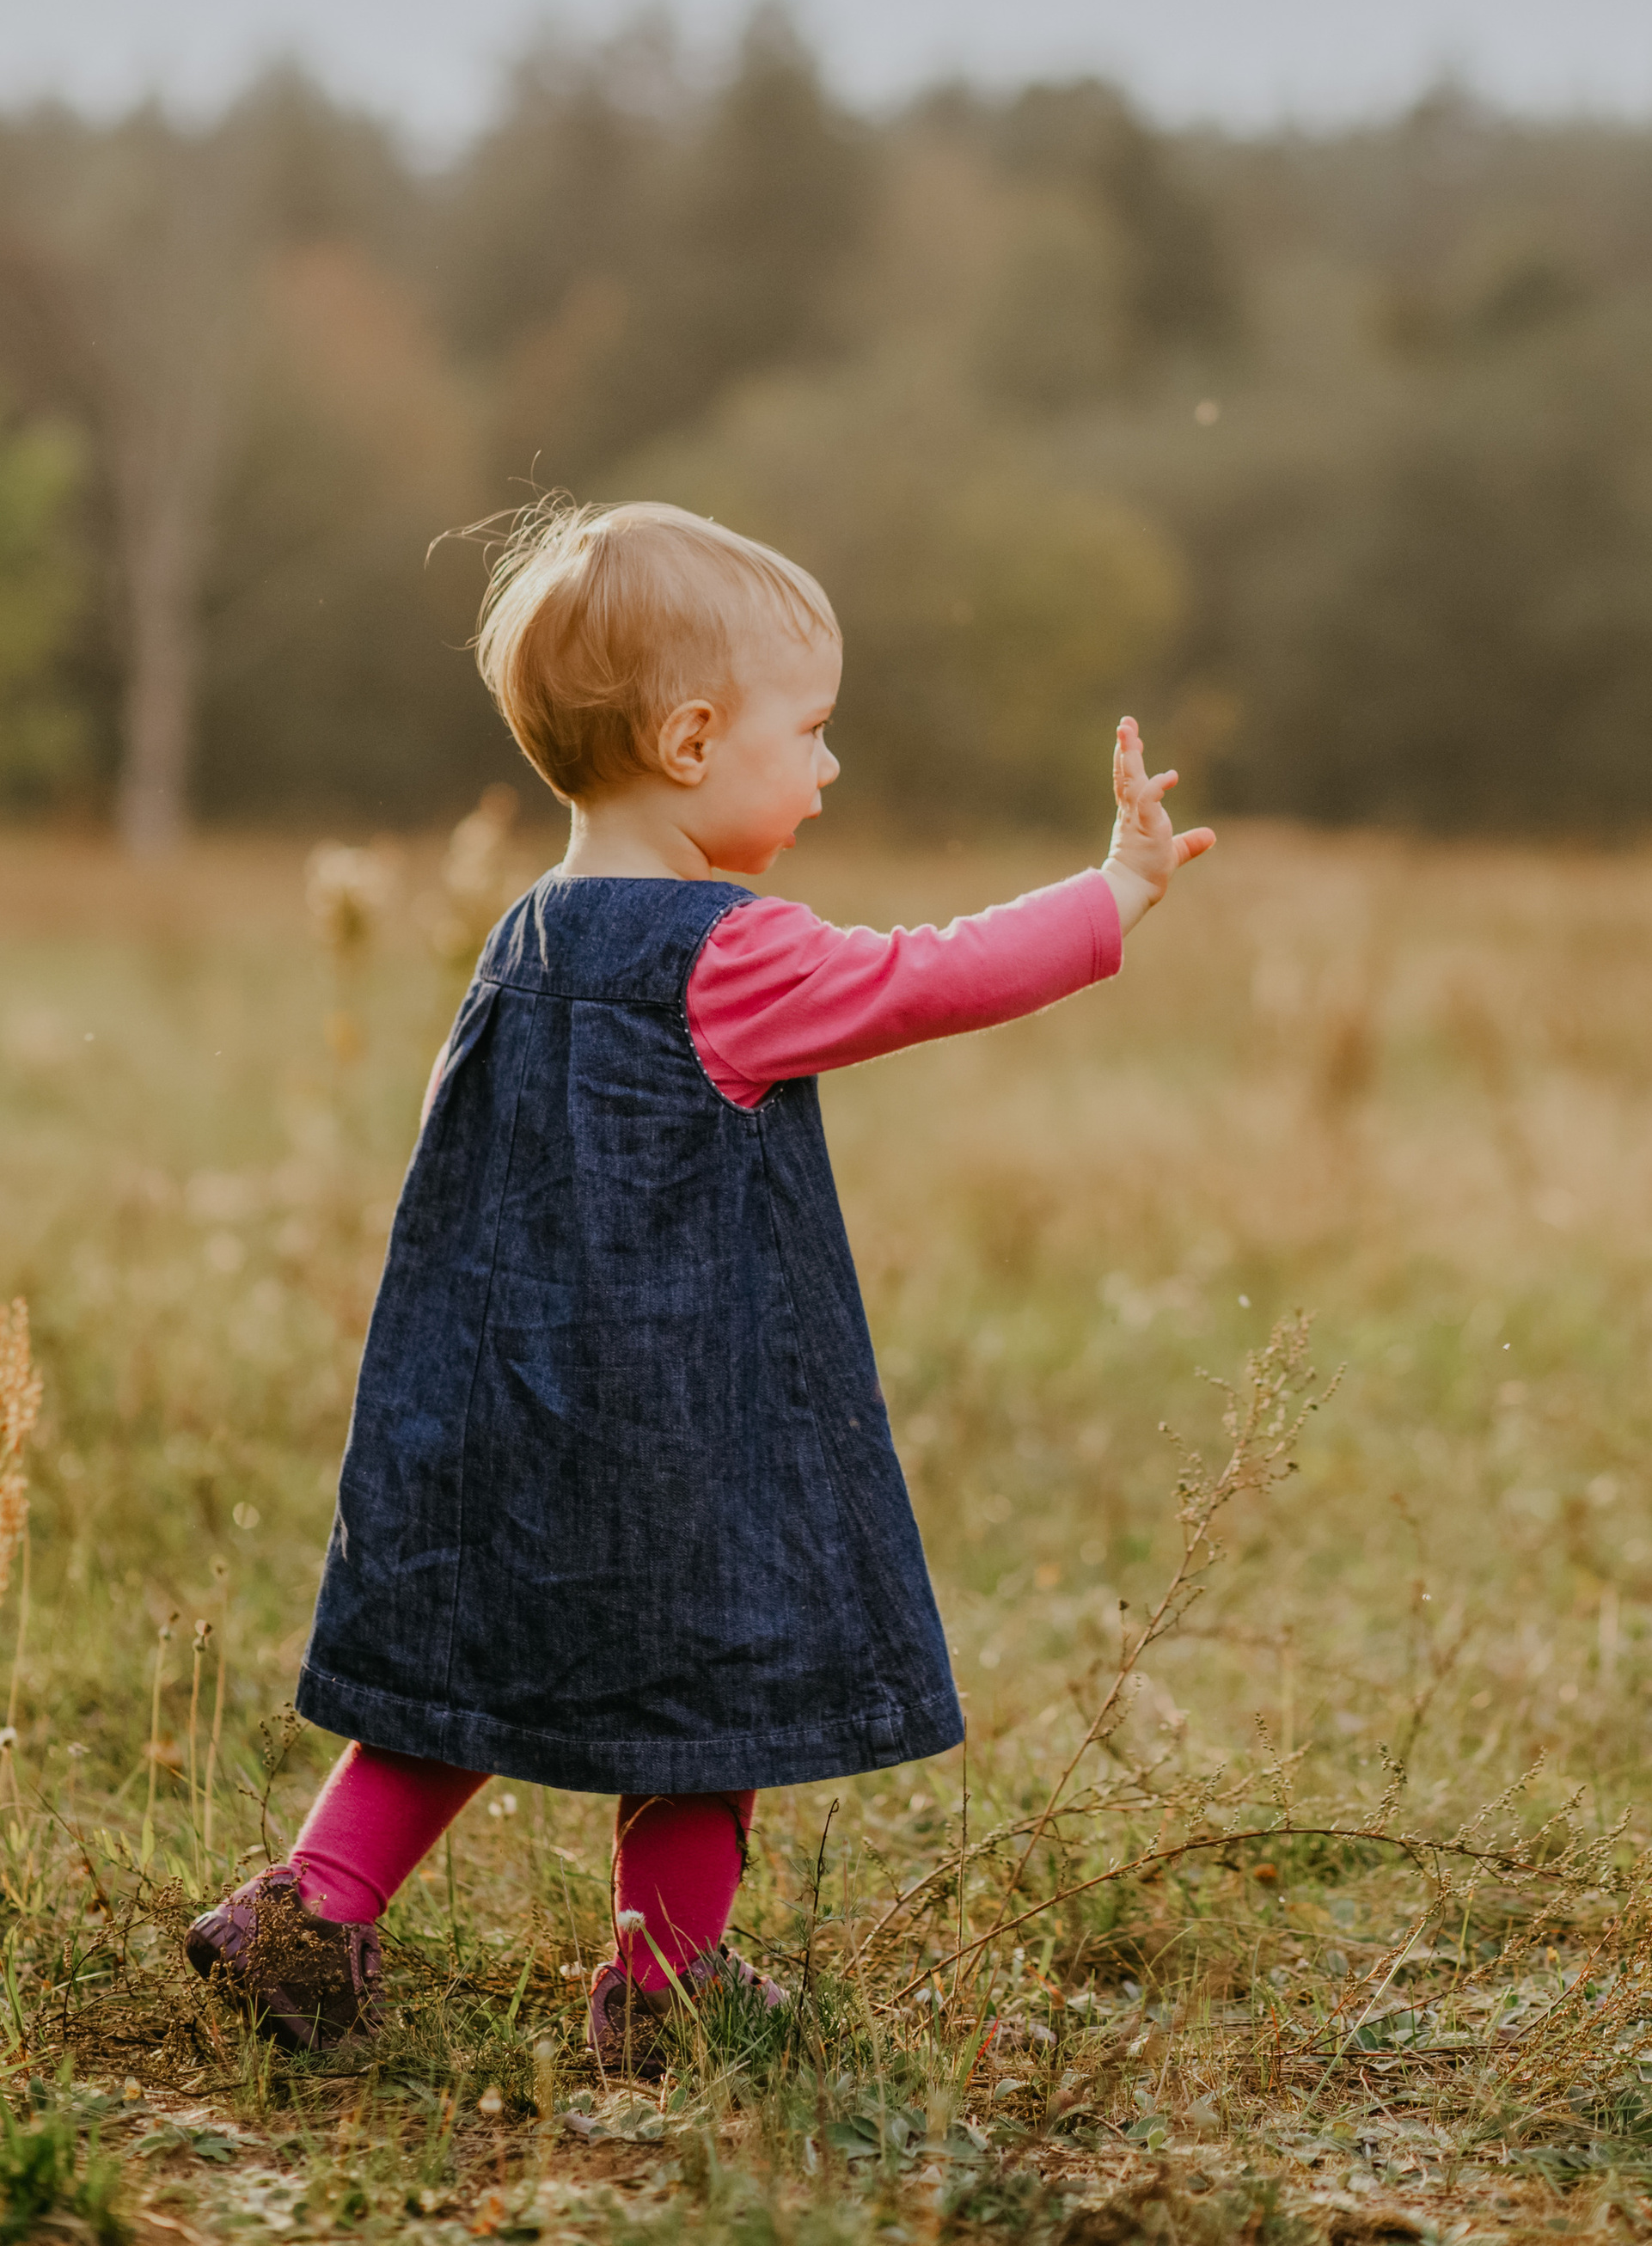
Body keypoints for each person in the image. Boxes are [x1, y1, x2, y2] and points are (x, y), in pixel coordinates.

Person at [187, 497, 1213, 2061]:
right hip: (673, 1430)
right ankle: (664, 1991)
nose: (827, 768)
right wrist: (1116, 892)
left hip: (500, 1410)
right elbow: (928, 974)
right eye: (808, 734)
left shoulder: (524, 937)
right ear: (688, 740)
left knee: (458, 1676)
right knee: (708, 1685)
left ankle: (310, 1911)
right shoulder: (727, 953)